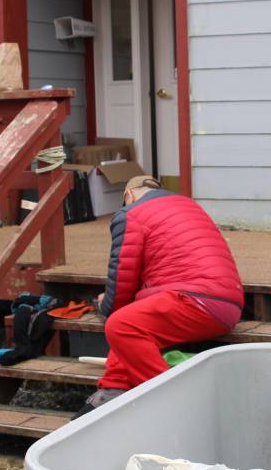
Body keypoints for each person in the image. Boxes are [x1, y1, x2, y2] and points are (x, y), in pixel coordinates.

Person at [75, 175, 244, 417]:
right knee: (134, 324)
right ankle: (113, 390)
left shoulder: (132, 213)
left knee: (121, 325)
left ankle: (170, 403)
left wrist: (106, 307)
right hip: (228, 304)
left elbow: (122, 276)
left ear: (129, 196)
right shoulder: (190, 206)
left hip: (195, 299)